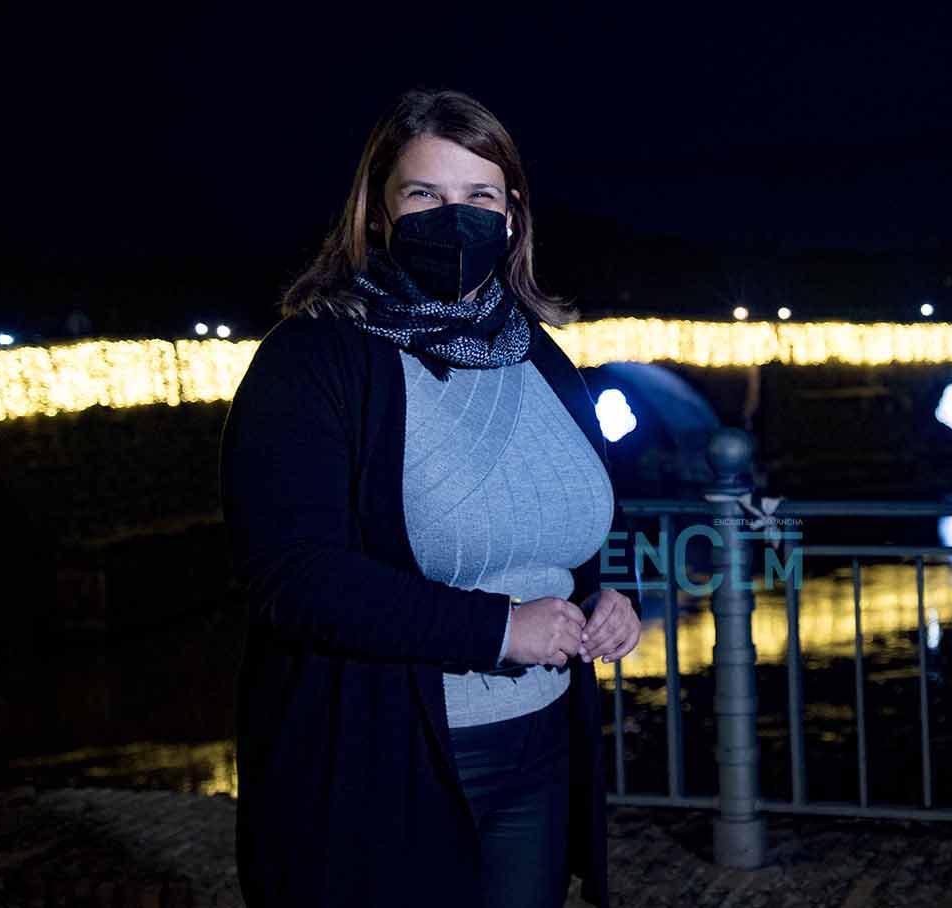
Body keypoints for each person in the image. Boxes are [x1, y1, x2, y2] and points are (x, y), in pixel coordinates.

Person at [219, 87, 641, 908]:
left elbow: (549, 523)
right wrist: (496, 629)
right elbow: (294, 577)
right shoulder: (313, 361)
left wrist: (596, 599)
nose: (457, 217)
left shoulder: (538, 353)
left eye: (480, 195)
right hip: (385, 755)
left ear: (513, 214)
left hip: (542, 746)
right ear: (378, 214)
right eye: (425, 195)